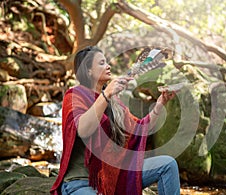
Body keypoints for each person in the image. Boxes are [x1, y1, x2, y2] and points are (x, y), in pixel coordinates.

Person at [50, 46, 181, 195]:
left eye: (106, 62)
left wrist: (160, 104)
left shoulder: (113, 101)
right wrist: (106, 95)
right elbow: (83, 129)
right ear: (88, 71)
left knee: (168, 165)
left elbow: (140, 128)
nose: (108, 66)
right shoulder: (74, 96)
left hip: (113, 176)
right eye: (101, 63)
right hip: (80, 183)